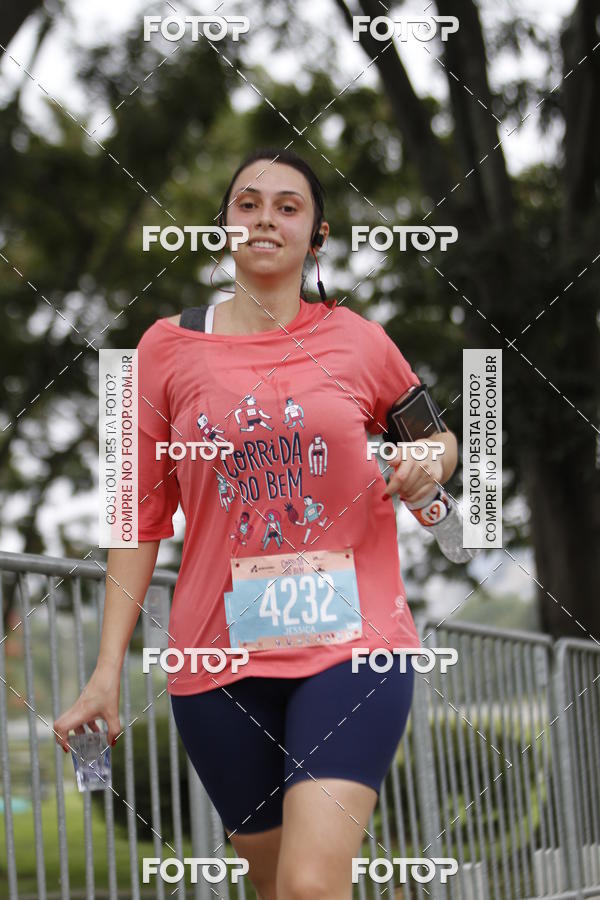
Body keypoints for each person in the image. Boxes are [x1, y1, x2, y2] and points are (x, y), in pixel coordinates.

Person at [54, 147, 458, 899]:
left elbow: (437, 438)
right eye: (248, 204)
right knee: (276, 888)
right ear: (224, 226)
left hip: (353, 648)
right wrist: (106, 670)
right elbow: (136, 516)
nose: (265, 218)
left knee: (310, 884)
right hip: (217, 662)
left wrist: (426, 461)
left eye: (287, 206)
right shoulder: (163, 349)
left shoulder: (360, 341)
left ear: (317, 235)